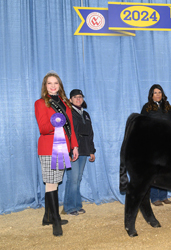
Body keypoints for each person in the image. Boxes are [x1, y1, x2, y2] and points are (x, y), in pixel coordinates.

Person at [35, 71, 79, 236]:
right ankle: (55, 221)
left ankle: (48, 216)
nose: (53, 86)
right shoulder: (40, 103)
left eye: (56, 83)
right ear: (45, 86)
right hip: (48, 147)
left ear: (60, 86)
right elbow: (43, 128)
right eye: (49, 83)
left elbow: (71, 128)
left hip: (63, 147)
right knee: (51, 184)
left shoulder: (65, 103)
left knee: (55, 181)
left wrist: (74, 146)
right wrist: (57, 122)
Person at [63, 89, 96, 215]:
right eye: (75, 97)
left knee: (78, 178)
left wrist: (91, 150)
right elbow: (68, 132)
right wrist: (70, 149)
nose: (78, 99)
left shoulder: (86, 114)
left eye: (80, 97)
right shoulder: (68, 113)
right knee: (72, 178)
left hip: (84, 150)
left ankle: (76, 205)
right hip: (71, 150)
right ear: (70, 100)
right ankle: (69, 207)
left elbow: (90, 134)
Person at [141, 84, 171, 206]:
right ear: (151, 95)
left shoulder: (168, 107)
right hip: (152, 144)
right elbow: (142, 126)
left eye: (159, 92)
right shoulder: (146, 108)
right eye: (155, 93)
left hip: (166, 143)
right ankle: (155, 198)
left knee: (165, 170)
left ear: (162, 94)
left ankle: (164, 196)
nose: (158, 95)